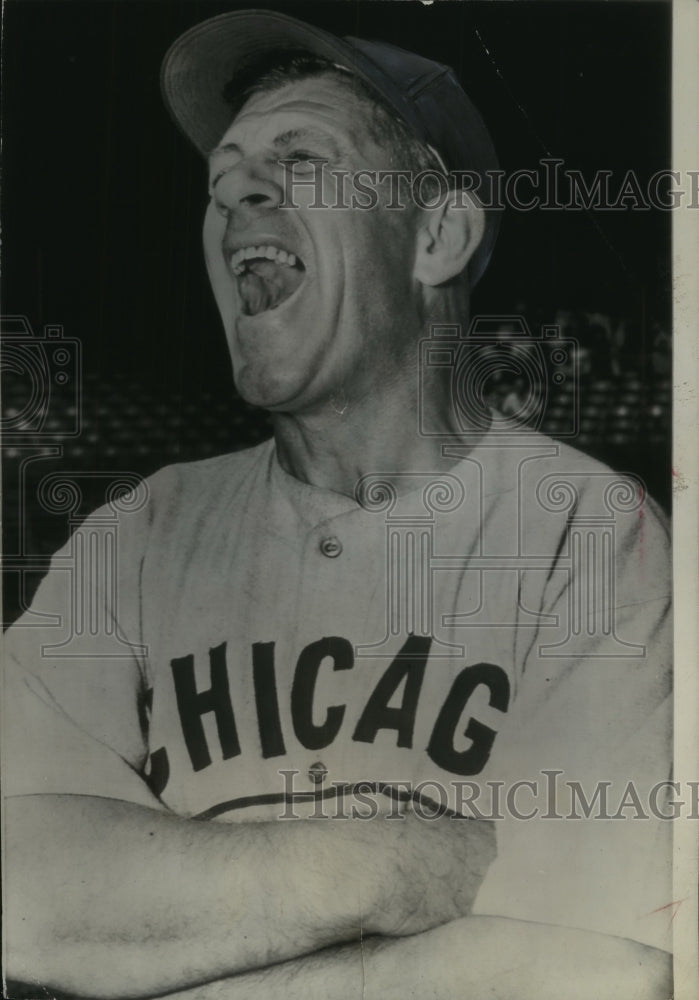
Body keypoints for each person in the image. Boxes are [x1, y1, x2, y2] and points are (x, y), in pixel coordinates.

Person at [3, 9, 672, 999]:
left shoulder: (587, 532)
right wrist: (405, 867)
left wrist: (161, 940)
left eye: (298, 156)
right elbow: (18, 892)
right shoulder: (135, 537)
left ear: (436, 233)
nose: (238, 194)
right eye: (220, 180)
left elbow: (596, 970)